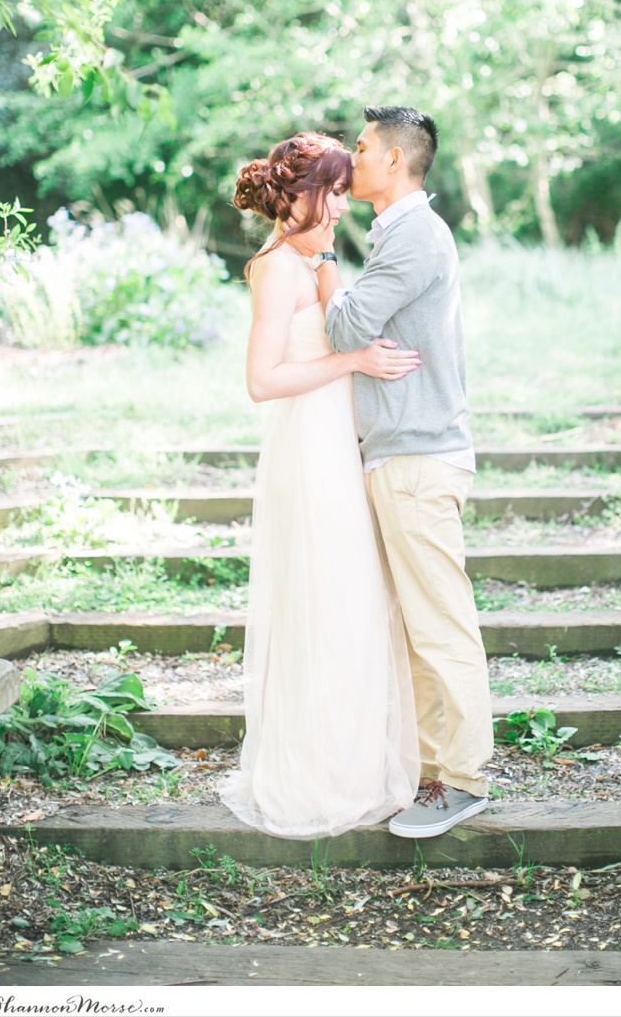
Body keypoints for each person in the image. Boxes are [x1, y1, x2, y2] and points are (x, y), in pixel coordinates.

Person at [218, 131, 420, 838]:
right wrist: (354, 361)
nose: (342, 202)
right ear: (303, 194)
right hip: (307, 454)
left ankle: (355, 764)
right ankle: (316, 775)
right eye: (334, 191)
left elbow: (340, 325)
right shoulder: (276, 269)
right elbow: (261, 381)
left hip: (337, 446)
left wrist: (329, 257)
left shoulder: (312, 259)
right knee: (325, 598)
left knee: (354, 599)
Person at [319, 105, 495, 839]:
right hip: (402, 453)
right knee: (417, 628)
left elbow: (347, 327)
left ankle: (462, 778)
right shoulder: (398, 231)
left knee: (441, 626)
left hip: (419, 458)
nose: (350, 159)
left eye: (361, 148)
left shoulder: (416, 235)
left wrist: (319, 258)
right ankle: (432, 770)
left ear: (395, 159)